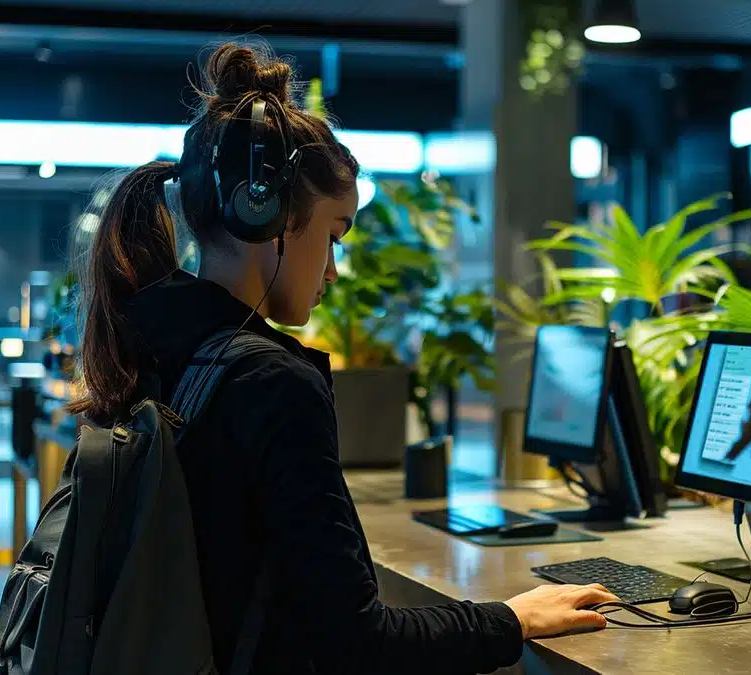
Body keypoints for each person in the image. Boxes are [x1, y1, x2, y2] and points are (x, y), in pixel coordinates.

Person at [71, 42, 617, 674]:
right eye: (332, 236)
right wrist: (512, 619)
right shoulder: (269, 380)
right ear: (265, 214)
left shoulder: (151, 343)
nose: (332, 270)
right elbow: (357, 640)